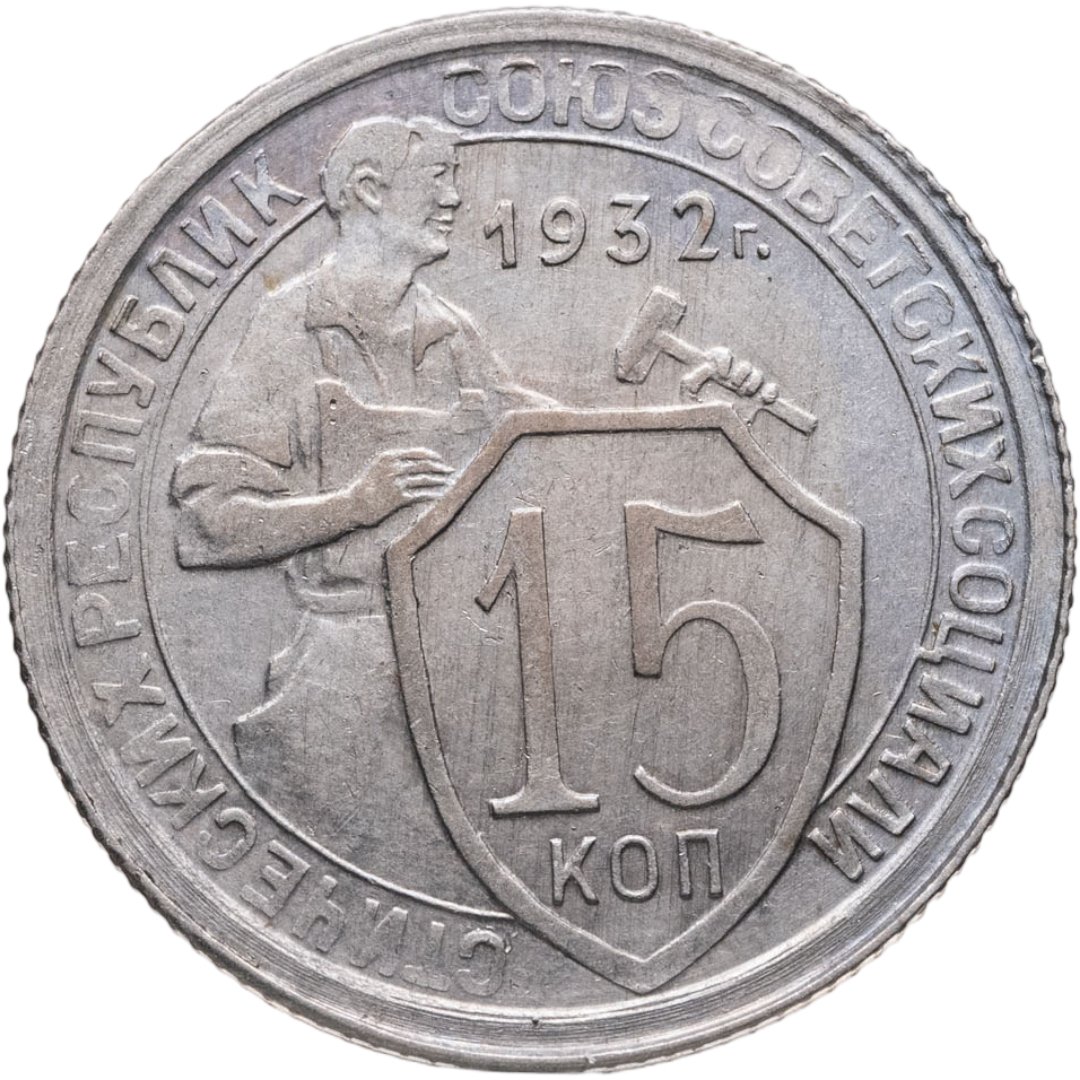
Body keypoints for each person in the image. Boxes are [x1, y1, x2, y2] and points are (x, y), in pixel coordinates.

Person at [172, 116, 550, 906]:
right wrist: (353, 506)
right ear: (371, 190)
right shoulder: (288, 326)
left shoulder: (453, 334)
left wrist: (701, 407)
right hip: (344, 672)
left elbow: (544, 441)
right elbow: (206, 522)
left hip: (467, 672)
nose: (455, 198)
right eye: (438, 178)